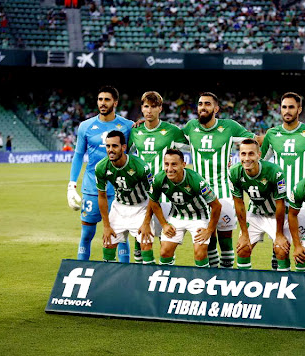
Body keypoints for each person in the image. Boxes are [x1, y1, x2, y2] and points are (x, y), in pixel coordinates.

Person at [182, 92, 254, 268]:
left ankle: (227, 278)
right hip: (200, 196)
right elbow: (169, 136)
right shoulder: (191, 127)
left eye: (207, 104)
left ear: (216, 108)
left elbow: (253, 140)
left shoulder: (229, 127)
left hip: (224, 193)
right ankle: (214, 279)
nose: (203, 107)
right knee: (208, 241)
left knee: (225, 240)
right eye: (200, 104)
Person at [260, 92, 305, 271]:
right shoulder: (272, 134)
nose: (287, 110)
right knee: (279, 249)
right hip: (280, 201)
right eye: (284, 107)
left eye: (291, 107)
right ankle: (279, 290)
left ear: (299, 109)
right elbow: (261, 162)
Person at [67, 86, 134, 263]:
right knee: (87, 233)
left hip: (120, 189)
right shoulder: (85, 126)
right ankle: (81, 270)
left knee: (120, 235)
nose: (102, 103)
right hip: (92, 188)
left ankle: (123, 274)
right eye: (100, 99)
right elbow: (79, 155)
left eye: (107, 100)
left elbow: (134, 154)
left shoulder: (128, 126)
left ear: (115, 102)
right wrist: (71, 186)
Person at [128, 91, 188, 262]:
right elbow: (125, 155)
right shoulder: (135, 131)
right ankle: (141, 279)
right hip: (142, 194)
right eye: (146, 106)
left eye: (153, 107)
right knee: (141, 241)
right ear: (142, 108)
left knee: (166, 242)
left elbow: (195, 147)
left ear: (160, 108)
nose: (149, 111)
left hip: (166, 194)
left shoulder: (172, 131)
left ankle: (163, 279)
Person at [142, 149, 221, 266]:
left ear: (183, 165)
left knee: (199, 253)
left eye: (174, 164)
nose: (169, 169)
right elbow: (153, 201)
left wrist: (209, 230)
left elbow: (216, 206)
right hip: (177, 215)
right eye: (166, 164)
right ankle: (167, 280)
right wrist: (164, 224)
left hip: (198, 216)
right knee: (164, 252)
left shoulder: (196, 180)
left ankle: (203, 281)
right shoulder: (159, 179)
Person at [230, 139, 292, 270]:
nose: (247, 158)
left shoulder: (275, 171)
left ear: (259, 154)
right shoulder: (234, 172)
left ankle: (283, 285)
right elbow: (239, 203)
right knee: (243, 249)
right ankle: (243, 282)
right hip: (255, 213)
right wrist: (244, 234)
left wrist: (279, 234)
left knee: (281, 250)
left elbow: (280, 203)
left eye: (251, 154)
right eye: (243, 154)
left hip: (277, 214)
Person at [95, 130, 153, 262]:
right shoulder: (101, 167)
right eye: (108, 146)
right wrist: (106, 225)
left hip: (142, 206)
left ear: (124, 147)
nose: (110, 150)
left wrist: (146, 222)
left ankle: (146, 279)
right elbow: (102, 196)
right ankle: (110, 280)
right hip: (119, 207)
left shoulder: (140, 167)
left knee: (146, 244)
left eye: (115, 146)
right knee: (108, 243)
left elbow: (153, 195)